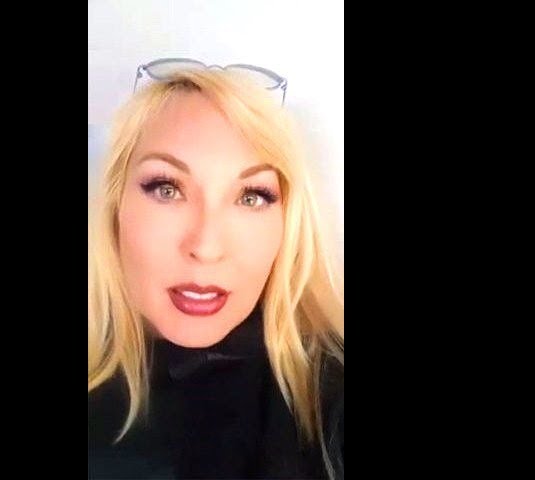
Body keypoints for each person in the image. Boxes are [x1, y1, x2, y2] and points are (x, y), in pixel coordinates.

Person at [88, 64, 344, 479]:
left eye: (252, 196)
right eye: (167, 189)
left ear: (289, 221)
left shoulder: (328, 400)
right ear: (115, 205)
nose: (206, 248)